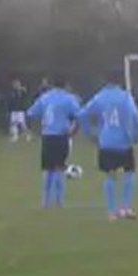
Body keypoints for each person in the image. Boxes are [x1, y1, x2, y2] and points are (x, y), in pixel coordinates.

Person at [79, 74, 138, 221]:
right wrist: (136, 135)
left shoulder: (99, 97)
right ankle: (126, 208)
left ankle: (112, 212)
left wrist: (90, 133)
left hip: (106, 141)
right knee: (129, 172)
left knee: (110, 175)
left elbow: (82, 115)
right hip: (124, 141)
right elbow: (135, 116)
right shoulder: (125, 97)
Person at [26, 77, 81, 209]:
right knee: (59, 169)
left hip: (47, 137)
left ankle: (45, 202)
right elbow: (79, 116)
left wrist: (37, 130)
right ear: (66, 85)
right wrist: (73, 130)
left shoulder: (45, 97)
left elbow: (31, 113)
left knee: (47, 169)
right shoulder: (69, 98)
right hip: (61, 136)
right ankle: (59, 202)